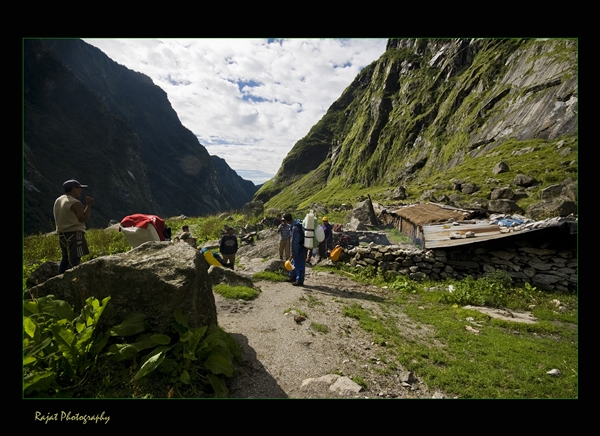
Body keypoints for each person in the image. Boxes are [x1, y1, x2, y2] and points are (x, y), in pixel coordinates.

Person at [53, 179, 93, 274]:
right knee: (75, 258)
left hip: (62, 234)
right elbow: (82, 218)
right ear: (73, 189)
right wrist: (89, 204)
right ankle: (71, 280)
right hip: (75, 234)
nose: (81, 190)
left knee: (65, 257)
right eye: (79, 188)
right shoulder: (75, 203)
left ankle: (59, 278)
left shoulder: (59, 200)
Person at [284, 213, 307, 286]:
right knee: (293, 263)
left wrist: (293, 252)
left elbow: (295, 241)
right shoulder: (297, 224)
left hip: (298, 249)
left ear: (287, 221)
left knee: (299, 264)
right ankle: (292, 276)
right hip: (300, 247)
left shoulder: (295, 228)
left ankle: (299, 280)